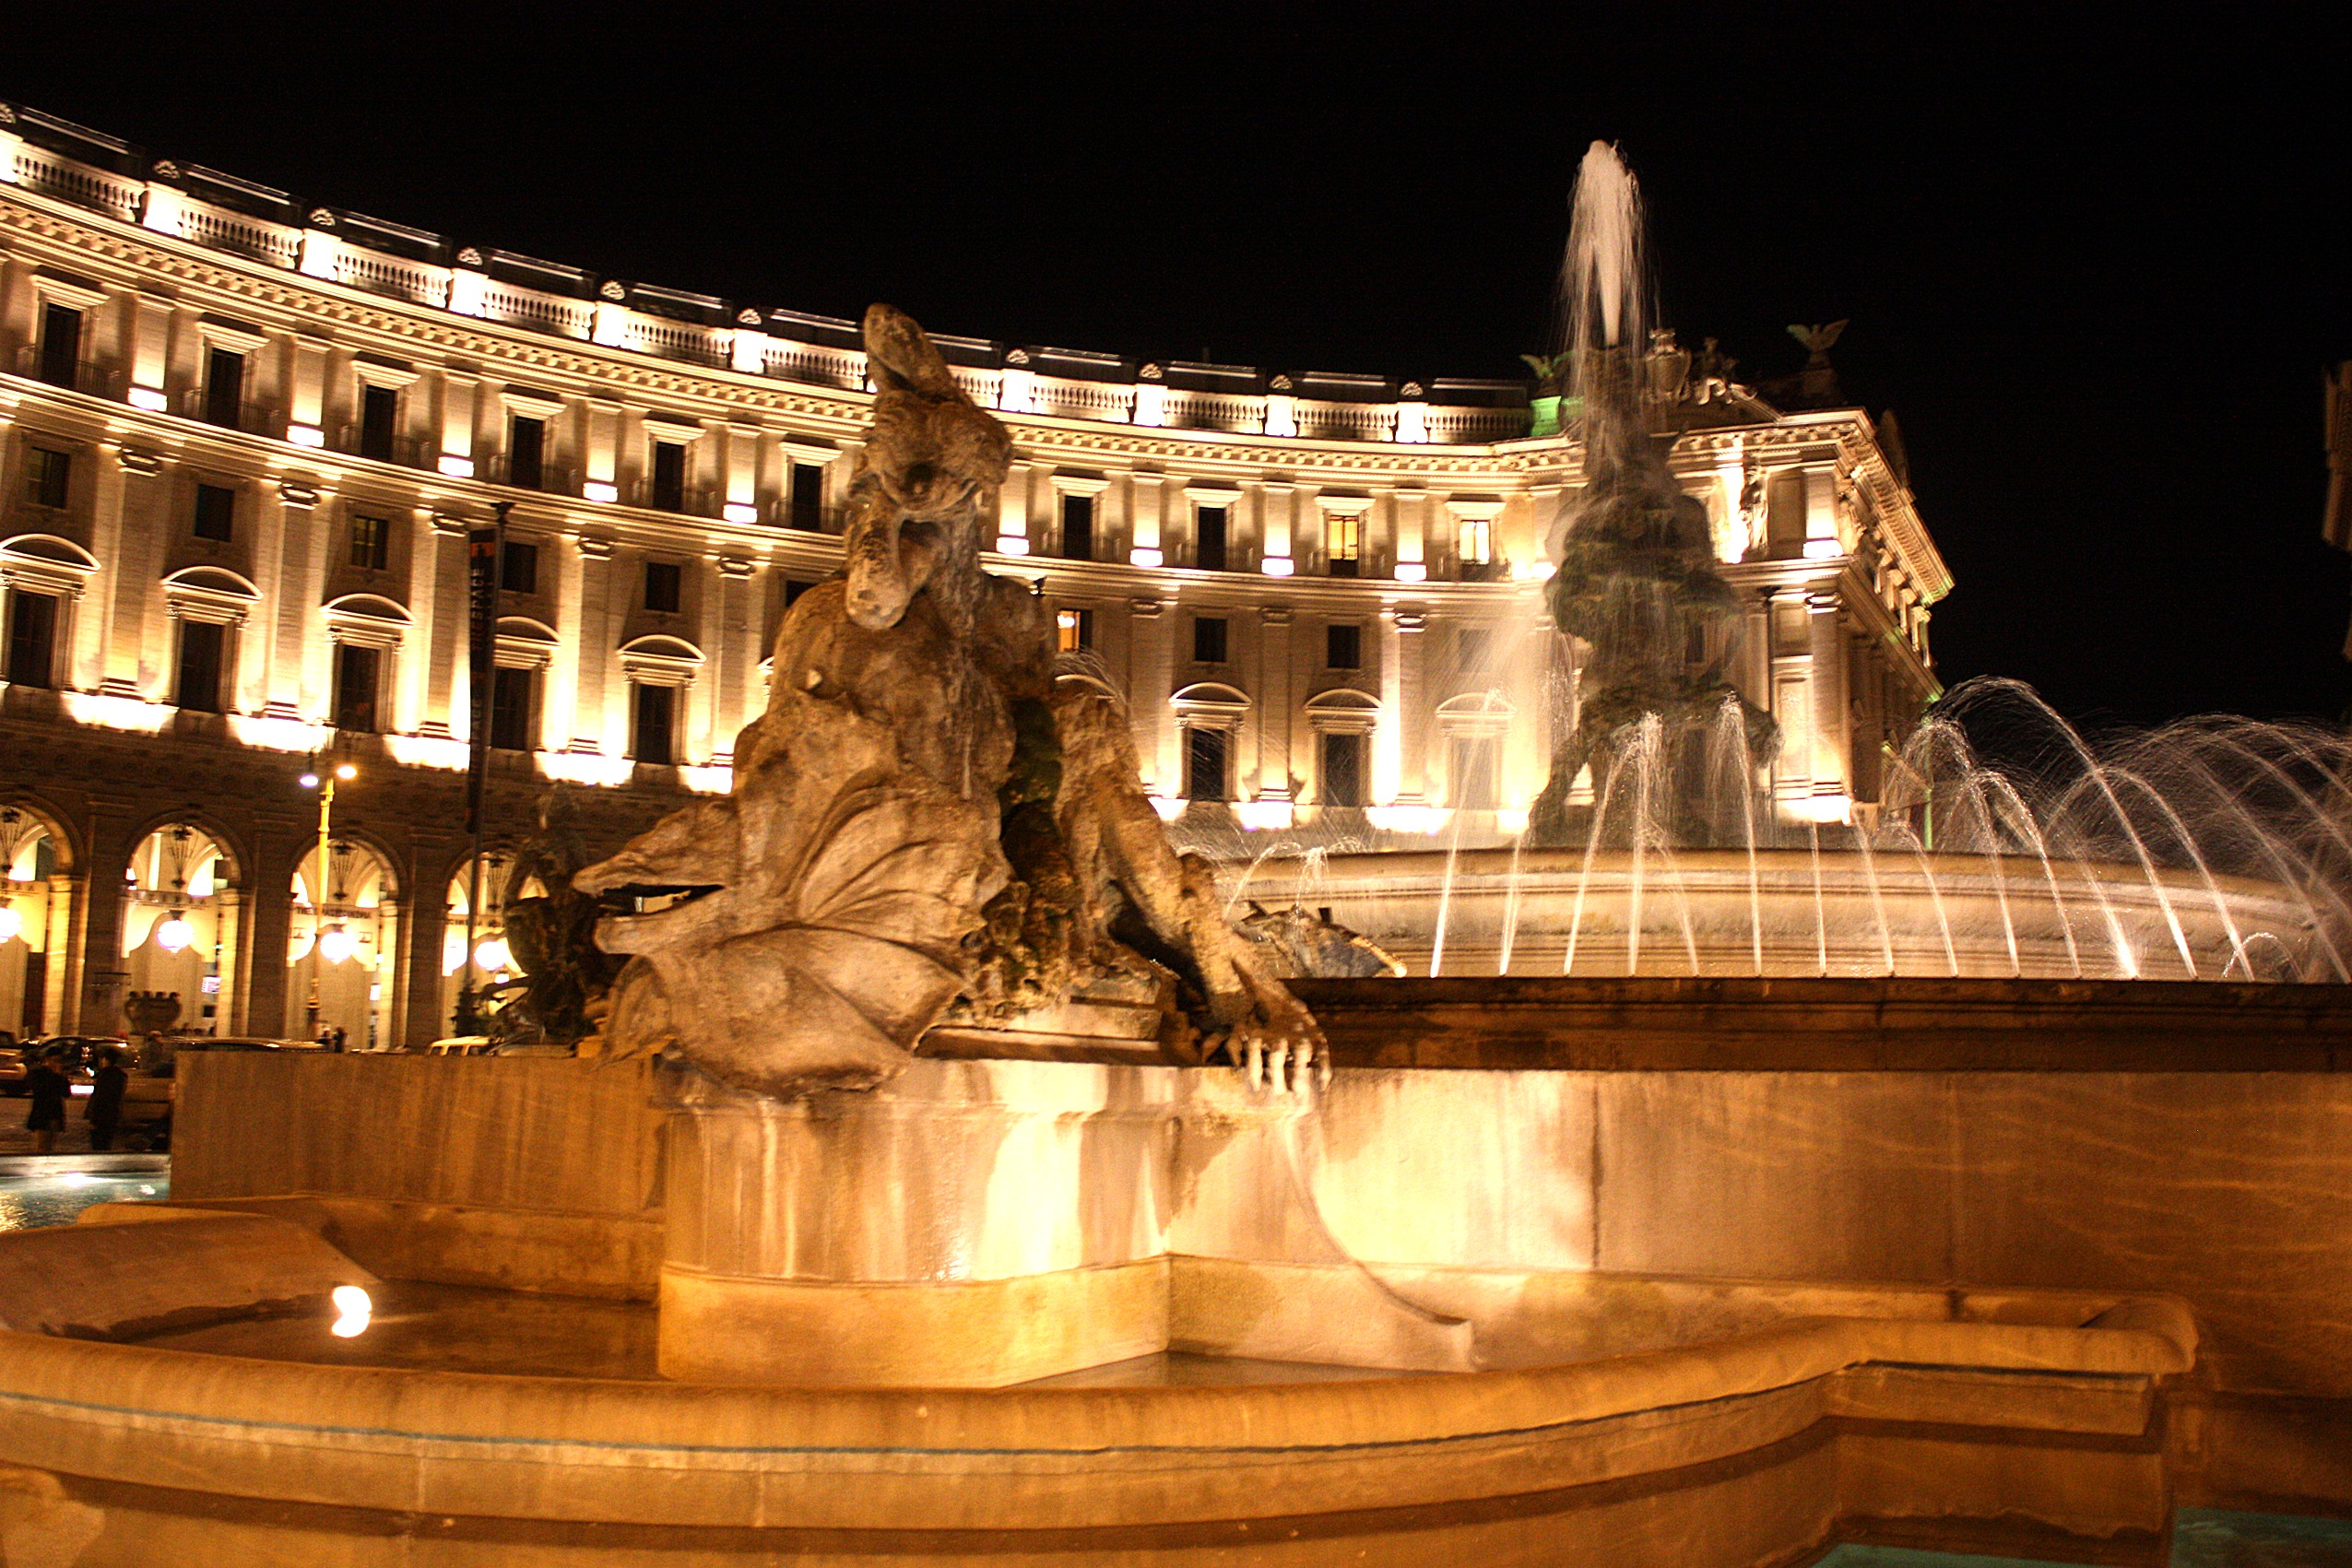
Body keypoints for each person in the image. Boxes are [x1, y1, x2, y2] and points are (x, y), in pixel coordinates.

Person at [24, 1046, 69, 1154]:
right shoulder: (38, 1073)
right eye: (55, 1060)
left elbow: (66, 1093)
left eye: (59, 1061)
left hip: (55, 1115)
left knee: (51, 1148)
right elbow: (41, 1090)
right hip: (41, 1115)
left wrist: (60, 1076)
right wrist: (55, 1076)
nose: (57, 1064)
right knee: (42, 1147)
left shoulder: (60, 1075)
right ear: (47, 1060)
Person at [85, 1045, 127, 1152]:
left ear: (105, 1060)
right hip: (113, 1114)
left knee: (98, 1145)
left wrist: (93, 1118)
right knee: (107, 1144)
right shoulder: (121, 1075)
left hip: (101, 1116)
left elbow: (99, 1097)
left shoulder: (104, 1075)